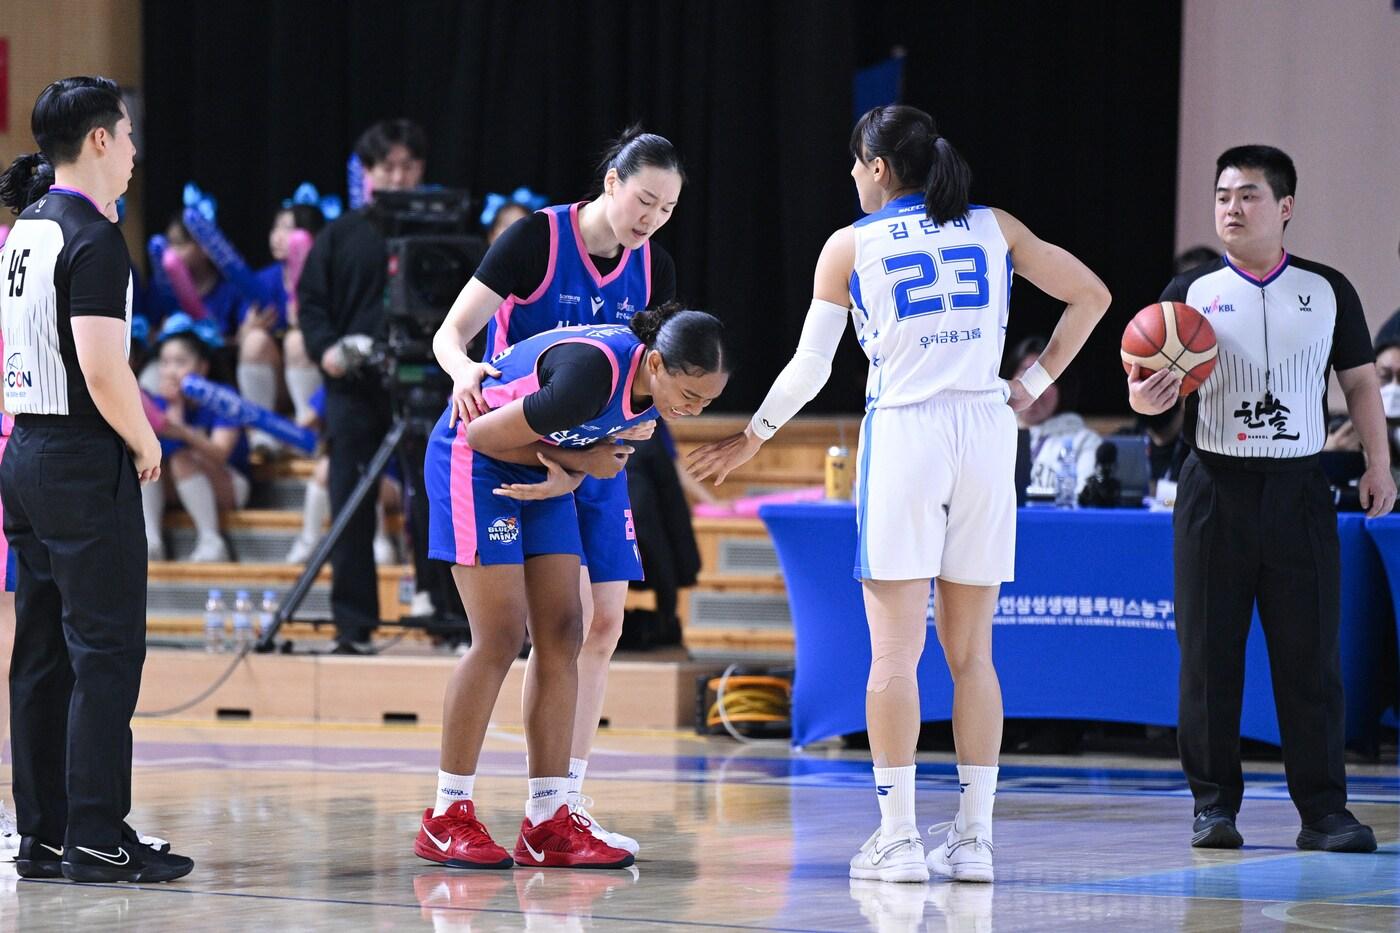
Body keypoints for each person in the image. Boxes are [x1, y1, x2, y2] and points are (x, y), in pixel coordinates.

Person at [688, 104, 1111, 884]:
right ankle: (975, 839)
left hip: (909, 433)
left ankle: (899, 838)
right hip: (988, 431)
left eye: (855, 163)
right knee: (973, 654)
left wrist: (753, 434)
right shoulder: (996, 226)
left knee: (893, 653)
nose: (851, 176)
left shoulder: (851, 244)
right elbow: (1092, 294)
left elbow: (811, 367)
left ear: (880, 168)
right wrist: (1034, 381)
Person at [1127, 145, 1393, 853]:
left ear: (1285, 207)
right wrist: (1142, 396)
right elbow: (1149, 389)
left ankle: (1325, 812)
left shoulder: (1329, 288)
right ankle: (1214, 807)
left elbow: (1362, 384)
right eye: (1221, 196)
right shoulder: (1186, 291)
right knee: (1209, 658)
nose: (1231, 208)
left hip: (1301, 490)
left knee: (1311, 659)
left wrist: (1379, 463)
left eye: (1247, 195)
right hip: (1214, 486)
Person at [431, 126, 682, 854]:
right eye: (644, 200)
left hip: (588, 451)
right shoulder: (535, 240)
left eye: (666, 209)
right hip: (517, 437)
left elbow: (648, 384)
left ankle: (561, 801)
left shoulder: (653, 268)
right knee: (514, 631)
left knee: (597, 624)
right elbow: (452, 333)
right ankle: (461, 804)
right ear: (611, 181)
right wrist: (463, 371)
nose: (650, 219)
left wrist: (592, 462)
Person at [417, 307, 728, 869]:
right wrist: (580, 460)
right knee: (500, 636)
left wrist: (576, 467)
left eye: (707, 401)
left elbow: (580, 452)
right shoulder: (593, 373)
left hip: (544, 468)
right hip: (473, 461)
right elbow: (480, 434)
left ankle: (547, 820)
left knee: (565, 633)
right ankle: (446, 814)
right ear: (655, 363)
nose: (693, 409)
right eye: (689, 394)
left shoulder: (647, 401)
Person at [0, 75, 192, 882]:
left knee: (42, 652)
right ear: (102, 140)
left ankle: (41, 833)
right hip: (81, 457)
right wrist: (146, 440)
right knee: (105, 653)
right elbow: (103, 366)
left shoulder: (25, 230)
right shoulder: (94, 235)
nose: (137, 152)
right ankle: (98, 835)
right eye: (130, 134)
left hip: (25, 455)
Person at [298, 119, 426, 653]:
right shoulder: (338, 235)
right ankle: (353, 623)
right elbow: (310, 305)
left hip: (425, 385)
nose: (396, 177)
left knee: (437, 498)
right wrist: (326, 350)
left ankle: (446, 612)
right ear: (368, 173)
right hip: (353, 388)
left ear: (420, 171)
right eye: (386, 167)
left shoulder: (438, 232)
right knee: (351, 501)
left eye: (406, 166)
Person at [140, 315, 251, 562]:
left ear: (202, 367)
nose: (171, 371)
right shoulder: (158, 401)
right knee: (143, 460)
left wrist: (181, 430)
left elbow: (220, 453)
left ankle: (212, 540)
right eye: (165, 362)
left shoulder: (223, 397)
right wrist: (174, 407)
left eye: (180, 362)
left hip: (230, 482)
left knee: (182, 459)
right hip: (177, 486)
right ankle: (151, 540)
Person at [237, 196, 327, 454]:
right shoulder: (265, 279)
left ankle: (306, 432)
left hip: (318, 382)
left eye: (289, 228)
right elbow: (242, 336)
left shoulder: (325, 278)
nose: (278, 236)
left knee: (297, 341)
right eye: (276, 228)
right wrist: (247, 329)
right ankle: (260, 434)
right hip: (275, 382)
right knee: (255, 340)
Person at [1007, 336, 1102, 498]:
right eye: (1025, 374)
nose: (1033, 389)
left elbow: (1085, 501)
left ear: (1062, 387)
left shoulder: (1084, 441)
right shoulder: (992, 436)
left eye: (1042, 380)